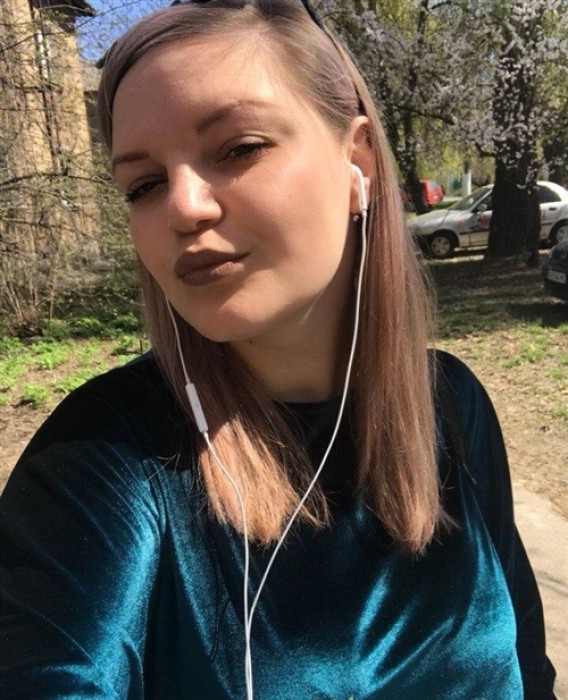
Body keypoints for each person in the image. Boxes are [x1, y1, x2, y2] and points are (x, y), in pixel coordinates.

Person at [0, 1, 557, 698]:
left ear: (357, 163)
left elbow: (528, 668)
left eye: (238, 148)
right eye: (143, 185)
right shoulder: (102, 462)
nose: (183, 207)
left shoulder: (452, 404)